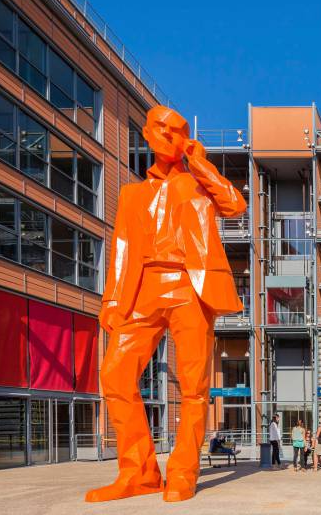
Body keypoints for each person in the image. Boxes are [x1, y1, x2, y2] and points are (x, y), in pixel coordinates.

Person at [85, 106, 247, 503]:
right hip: (143, 291)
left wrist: (201, 164)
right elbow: (122, 249)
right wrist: (111, 301)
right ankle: (138, 472)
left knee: (194, 388)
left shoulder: (198, 186)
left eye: (179, 130)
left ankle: (182, 473)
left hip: (191, 289)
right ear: (146, 134)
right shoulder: (131, 194)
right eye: (162, 127)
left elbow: (235, 205)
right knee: (116, 375)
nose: (170, 135)